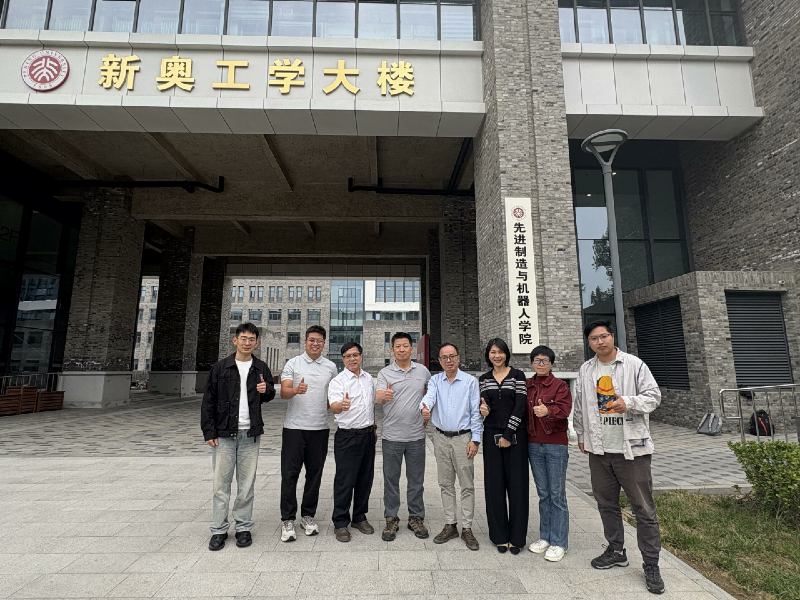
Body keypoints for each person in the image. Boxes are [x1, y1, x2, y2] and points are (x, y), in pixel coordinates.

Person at [574, 320, 665, 595]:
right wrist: (581, 435)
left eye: (604, 336)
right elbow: (580, 406)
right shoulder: (586, 369)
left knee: (643, 509)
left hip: (632, 451)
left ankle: (651, 563)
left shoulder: (634, 365)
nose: (600, 342)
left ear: (612, 337)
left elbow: (654, 397)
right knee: (606, 504)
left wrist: (630, 402)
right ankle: (615, 551)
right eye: (594, 338)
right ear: (589, 343)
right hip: (599, 450)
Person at [200, 322, 275, 551]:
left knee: (246, 484)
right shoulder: (220, 368)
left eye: (252, 339)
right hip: (223, 434)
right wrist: (209, 431)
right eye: (243, 338)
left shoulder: (261, 367)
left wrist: (266, 390)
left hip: (250, 435)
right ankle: (219, 530)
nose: (247, 342)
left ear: (257, 342)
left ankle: (243, 527)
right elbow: (208, 401)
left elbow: (270, 393)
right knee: (220, 485)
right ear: (235, 340)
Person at [279, 325, 338, 542]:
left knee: (314, 474)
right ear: (305, 342)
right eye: (311, 340)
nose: (315, 344)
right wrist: (296, 390)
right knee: (290, 474)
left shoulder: (331, 367)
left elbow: (334, 396)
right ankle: (287, 519)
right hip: (294, 428)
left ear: (324, 343)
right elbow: (284, 392)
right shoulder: (293, 363)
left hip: (319, 428)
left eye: (319, 340)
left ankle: (307, 515)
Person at [420, 343, 482, 551]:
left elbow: (476, 413)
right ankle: (450, 524)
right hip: (440, 438)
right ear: (439, 361)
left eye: (452, 356)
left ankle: (467, 528)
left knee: (467, 485)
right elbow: (429, 398)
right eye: (444, 357)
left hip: (463, 439)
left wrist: (475, 439)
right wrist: (425, 407)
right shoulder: (436, 380)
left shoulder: (470, 382)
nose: (448, 360)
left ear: (458, 358)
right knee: (445, 483)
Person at [376, 332, 432, 541]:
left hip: (416, 436)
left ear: (411, 348)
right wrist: (384, 396)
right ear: (392, 350)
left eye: (405, 345)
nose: (401, 349)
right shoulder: (385, 373)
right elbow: (378, 397)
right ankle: (391, 518)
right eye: (397, 346)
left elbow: (432, 393)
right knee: (391, 480)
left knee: (416, 480)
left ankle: (416, 517)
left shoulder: (422, 371)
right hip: (392, 437)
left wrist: (429, 410)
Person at [478, 338, 528, 555]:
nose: (496, 356)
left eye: (500, 352)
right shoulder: (484, 379)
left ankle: (517, 538)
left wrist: (508, 434)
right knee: (494, 486)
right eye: (493, 352)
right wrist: (483, 410)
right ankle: (499, 536)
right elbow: (485, 403)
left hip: (516, 436)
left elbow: (520, 406)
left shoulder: (518, 375)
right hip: (491, 435)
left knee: (517, 486)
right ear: (488, 355)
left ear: (506, 354)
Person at [525, 345, 573, 562]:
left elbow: (565, 410)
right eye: (537, 360)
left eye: (545, 360)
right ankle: (545, 537)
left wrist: (548, 411)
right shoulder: (528, 385)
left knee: (557, 495)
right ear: (532, 363)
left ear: (551, 363)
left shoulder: (560, 385)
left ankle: (559, 542)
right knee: (543, 494)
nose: (541, 364)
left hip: (555, 445)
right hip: (533, 444)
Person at [328, 341, 376, 542]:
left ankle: (359, 517)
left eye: (355, 355)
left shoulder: (368, 379)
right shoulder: (338, 382)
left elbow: (372, 405)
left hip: (368, 435)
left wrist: (373, 428)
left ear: (361, 356)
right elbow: (334, 406)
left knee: (365, 479)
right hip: (347, 437)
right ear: (343, 359)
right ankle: (340, 522)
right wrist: (342, 405)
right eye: (348, 356)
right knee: (345, 481)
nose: (352, 359)